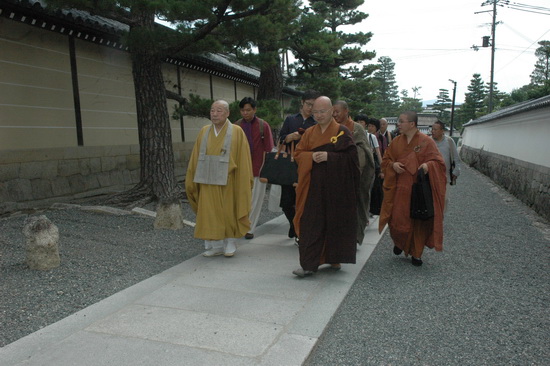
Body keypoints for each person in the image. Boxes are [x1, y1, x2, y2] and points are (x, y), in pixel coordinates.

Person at [292, 96, 360, 277]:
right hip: (312, 187)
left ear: (331, 111)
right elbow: (298, 154)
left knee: (335, 223)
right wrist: (310, 157)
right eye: (315, 112)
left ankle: (333, 257)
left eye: (323, 111)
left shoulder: (342, 132)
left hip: (337, 188)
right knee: (310, 224)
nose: (319, 115)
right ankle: (308, 265)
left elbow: (353, 160)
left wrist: (331, 157)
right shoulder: (309, 133)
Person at [185, 100, 253, 258]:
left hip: (229, 181)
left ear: (228, 113)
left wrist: (242, 180)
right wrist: (193, 178)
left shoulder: (236, 131)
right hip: (207, 180)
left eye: (219, 111)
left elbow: (243, 158)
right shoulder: (204, 131)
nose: (214, 114)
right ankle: (214, 245)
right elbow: (196, 157)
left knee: (228, 212)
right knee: (209, 212)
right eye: (212, 111)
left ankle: (230, 242)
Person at [379, 111, 447, 266]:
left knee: (418, 222)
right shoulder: (396, 141)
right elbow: (386, 159)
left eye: (401, 121)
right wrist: (393, 165)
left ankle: (416, 253)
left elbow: (439, 163)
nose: (398, 124)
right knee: (396, 220)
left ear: (412, 124)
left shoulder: (426, 142)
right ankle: (400, 242)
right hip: (400, 189)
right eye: (398, 121)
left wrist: (427, 165)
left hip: (418, 190)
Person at [278, 89, 321, 242]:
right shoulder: (291, 119)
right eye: (309, 104)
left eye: (314, 106)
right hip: (289, 164)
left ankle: (299, 231)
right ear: (302, 103)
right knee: (286, 202)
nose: (310, 108)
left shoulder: (316, 123)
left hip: (307, 165)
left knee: (304, 201)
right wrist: (290, 137)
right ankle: (293, 224)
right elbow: (281, 138)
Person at [332, 101, 375, 245]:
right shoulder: (332, 127)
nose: (335, 114)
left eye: (337, 111)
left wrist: (357, 170)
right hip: (338, 173)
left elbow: (363, 150)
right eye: (333, 111)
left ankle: (356, 236)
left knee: (358, 204)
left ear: (346, 111)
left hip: (357, 173)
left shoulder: (356, 128)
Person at [235, 97, 274, 239]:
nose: (245, 113)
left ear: (254, 110)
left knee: (256, 199)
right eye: (243, 110)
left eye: (248, 110)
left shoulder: (263, 125)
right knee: (242, 198)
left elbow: (269, 148)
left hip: (258, 167)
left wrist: (267, 169)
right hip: (241, 169)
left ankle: (249, 228)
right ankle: (240, 224)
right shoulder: (237, 126)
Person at [431, 120, 461, 211]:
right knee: (431, 200)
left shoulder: (449, 141)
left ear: (442, 131)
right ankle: (433, 221)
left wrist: (456, 171)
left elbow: (456, 158)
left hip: (445, 176)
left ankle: (440, 219)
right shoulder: (428, 141)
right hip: (431, 176)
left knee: (444, 199)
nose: (432, 131)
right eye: (432, 129)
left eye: (435, 129)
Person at [366, 118, 384, 216]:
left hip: (372, 167)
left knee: (371, 190)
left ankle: (369, 211)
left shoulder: (378, 137)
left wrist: (382, 169)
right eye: (369, 126)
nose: (370, 128)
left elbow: (380, 153)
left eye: (372, 126)